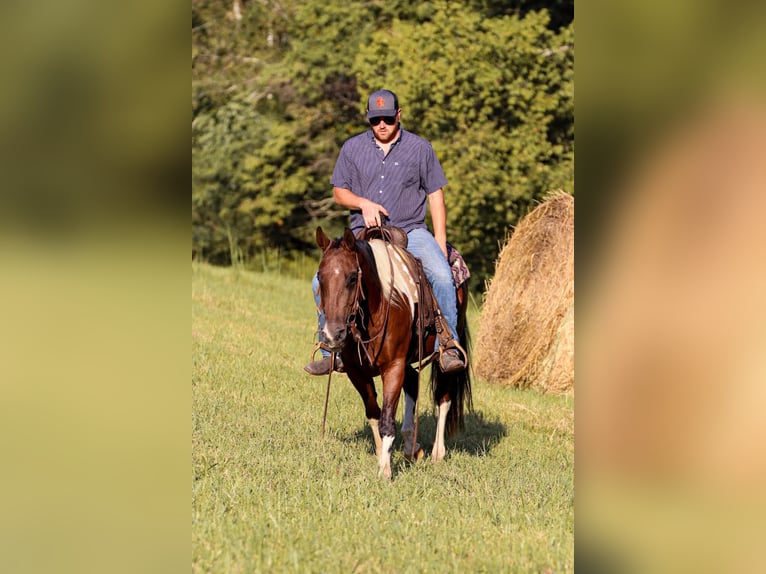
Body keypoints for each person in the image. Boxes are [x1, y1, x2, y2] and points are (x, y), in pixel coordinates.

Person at [305, 89, 466, 375]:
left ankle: (448, 344)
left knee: (442, 274)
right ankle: (330, 348)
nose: (382, 125)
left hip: (410, 231)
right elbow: (339, 192)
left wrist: (440, 240)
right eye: (375, 119)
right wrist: (362, 202)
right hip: (362, 236)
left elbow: (435, 194)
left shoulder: (420, 148)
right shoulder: (352, 148)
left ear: (398, 116)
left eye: (388, 119)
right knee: (319, 283)